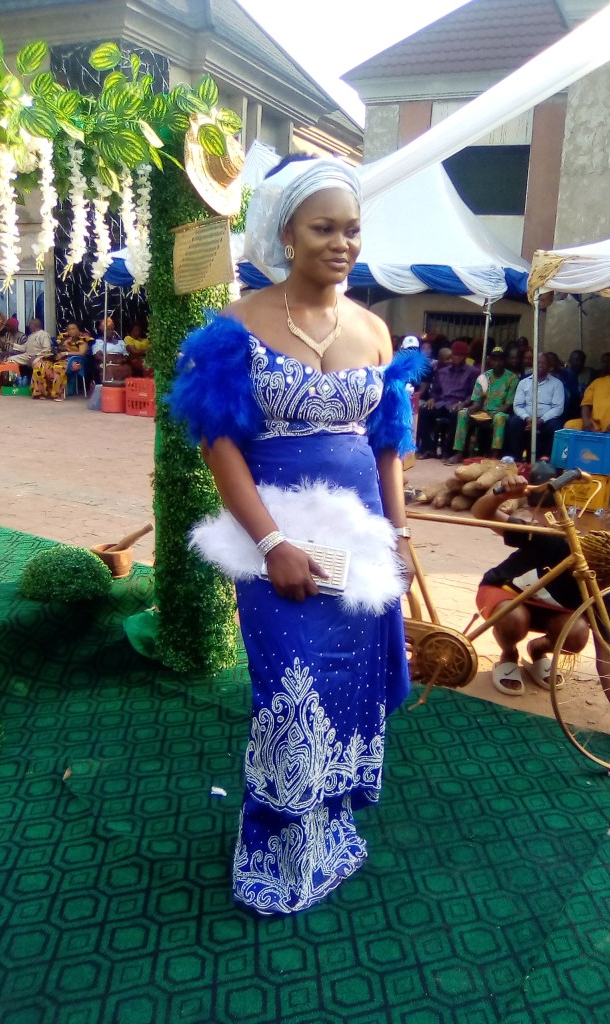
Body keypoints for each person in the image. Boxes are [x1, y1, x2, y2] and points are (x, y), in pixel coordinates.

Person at [168, 157, 420, 915]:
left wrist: (401, 536)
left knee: (346, 689)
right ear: (287, 234)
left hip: (359, 549)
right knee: (289, 692)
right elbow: (220, 445)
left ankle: (331, 833)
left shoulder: (376, 330)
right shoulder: (236, 327)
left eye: (352, 229)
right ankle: (275, 853)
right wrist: (272, 543)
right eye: (324, 228)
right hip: (273, 543)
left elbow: (389, 446)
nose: (342, 242)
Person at [471, 466, 610, 763]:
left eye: (605, 585)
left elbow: (606, 655)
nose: (598, 587)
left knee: (578, 634)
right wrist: (501, 494)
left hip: (547, 612)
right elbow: (481, 514)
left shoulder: (603, 593)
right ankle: (508, 654)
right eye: (595, 579)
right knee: (514, 619)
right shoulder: (551, 542)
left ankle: (538, 650)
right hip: (504, 594)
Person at [450, 345, 518, 460]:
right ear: (490, 360)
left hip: (500, 412)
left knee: (499, 418)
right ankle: (459, 452)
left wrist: (495, 412)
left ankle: (494, 454)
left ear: (505, 361)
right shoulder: (484, 377)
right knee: (462, 413)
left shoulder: (512, 378)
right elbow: (477, 400)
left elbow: (508, 404)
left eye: (500, 360)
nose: (497, 363)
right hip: (483, 412)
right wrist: (473, 407)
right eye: (494, 360)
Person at [416, 339, 477, 459]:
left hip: (458, 405)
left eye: (460, 355)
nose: (457, 357)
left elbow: (473, 393)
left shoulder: (472, 372)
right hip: (442, 403)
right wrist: (432, 398)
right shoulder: (442, 371)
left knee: (456, 415)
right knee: (422, 411)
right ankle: (429, 448)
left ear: (465, 357)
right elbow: (435, 391)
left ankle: (448, 451)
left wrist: (464, 403)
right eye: (455, 354)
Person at [504, 352, 565, 460]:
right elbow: (517, 405)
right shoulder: (523, 383)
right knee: (513, 423)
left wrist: (541, 420)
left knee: (556, 426)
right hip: (527, 418)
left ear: (549, 366)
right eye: (538, 362)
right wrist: (527, 418)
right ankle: (516, 459)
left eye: (543, 363)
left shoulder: (557, 384)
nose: (540, 365)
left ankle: (546, 461)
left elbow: (558, 408)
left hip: (546, 419)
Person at [31, 322, 90, 401]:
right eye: (69, 329)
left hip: (72, 360)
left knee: (58, 368)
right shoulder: (64, 338)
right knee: (40, 365)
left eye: (73, 329)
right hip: (59, 359)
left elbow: (82, 353)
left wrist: (66, 353)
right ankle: (41, 393)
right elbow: (60, 350)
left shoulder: (82, 339)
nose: (71, 331)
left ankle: (57, 394)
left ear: (78, 330)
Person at [92, 318, 130, 384]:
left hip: (120, 363)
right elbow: (98, 355)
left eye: (112, 329)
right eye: (108, 330)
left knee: (128, 368)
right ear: (103, 331)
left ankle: (124, 387)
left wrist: (123, 360)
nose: (110, 331)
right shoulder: (99, 342)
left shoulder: (120, 342)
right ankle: (111, 387)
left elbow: (126, 354)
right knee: (110, 368)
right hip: (106, 363)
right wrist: (110, 361)